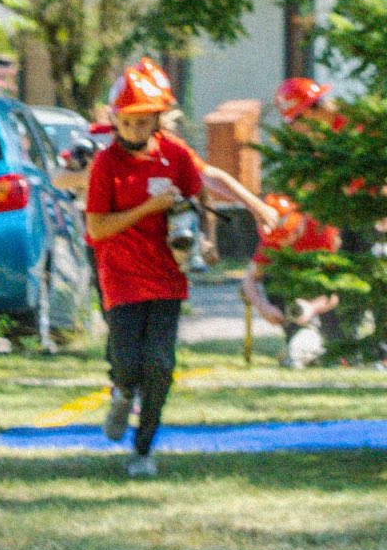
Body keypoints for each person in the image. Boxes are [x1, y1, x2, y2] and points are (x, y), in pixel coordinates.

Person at [86, 58, 277, 478]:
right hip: (120, 277)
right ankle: (121, 392)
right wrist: (149, 207)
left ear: (158, 119)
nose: (134, 130)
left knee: (160, 365)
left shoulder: (174, 153)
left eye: (143, 121)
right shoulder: (106, 164)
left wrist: (224, 228)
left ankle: (143, 449)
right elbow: (97, 228)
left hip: (166, 276)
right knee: (127, 362)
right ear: (115, 120)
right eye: (127, 122)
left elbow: (205, 188)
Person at [242, 192, 340, 368]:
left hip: (322, 296)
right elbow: (249, 279)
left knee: (333, 344)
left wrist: (312, 307)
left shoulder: (324, 232)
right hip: (292, 295)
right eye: (279, 238)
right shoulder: (271, 239)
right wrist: (263, 307)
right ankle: (298, 338)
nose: (284, 242)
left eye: (288, 235)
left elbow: (338, 287)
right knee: (271, 276)